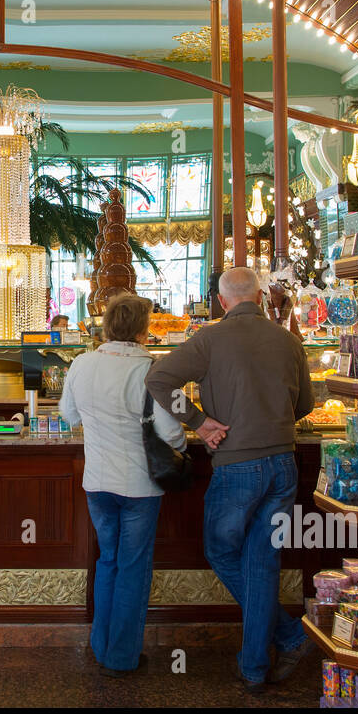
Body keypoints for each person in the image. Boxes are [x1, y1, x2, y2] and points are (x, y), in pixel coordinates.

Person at [146, 266, 314, 691]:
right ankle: (262, 659)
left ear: (222, 302)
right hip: (283, 464)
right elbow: (305, 405)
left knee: (223, 553)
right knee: (263, 562)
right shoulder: (288, 340)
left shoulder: (209, 338)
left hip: (237, 466)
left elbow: (159, 379)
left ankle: (284, 641)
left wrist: (200, 422)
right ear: (259, 296)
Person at [58, 294, 187, 677]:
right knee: (132, 567)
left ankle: (101, 646)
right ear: (144, 329)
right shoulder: (152, 369)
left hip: (97, 482)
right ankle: (121, 656)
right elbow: (173, 436)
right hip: (140, 486)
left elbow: (68, 416)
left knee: (108, 561)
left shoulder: (82, 363)